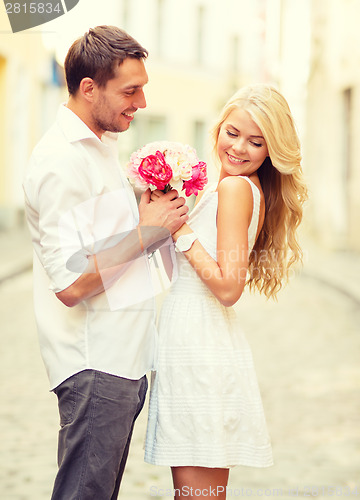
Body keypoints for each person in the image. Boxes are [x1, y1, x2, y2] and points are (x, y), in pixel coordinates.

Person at [22, 26, 188, 500]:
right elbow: (72, 282)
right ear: (89, 87)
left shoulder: (100, 148)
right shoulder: (61, 161)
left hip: (124, 361)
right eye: (130, 91)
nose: (141, 102)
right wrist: (146, 231)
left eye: (143, 89)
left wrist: (154, 221)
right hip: (96, 364)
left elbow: (106, 250)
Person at [145, 84, 308, 498]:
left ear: (271, 151)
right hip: (196, 339)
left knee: (195, 492)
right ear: (218, 128)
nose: (239, 148)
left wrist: (179, 230)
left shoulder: (236, 189)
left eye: (256, 142)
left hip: (201, 342)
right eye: (232, 133)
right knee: (200, 492)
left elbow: (229, 286)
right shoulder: (229, 187)